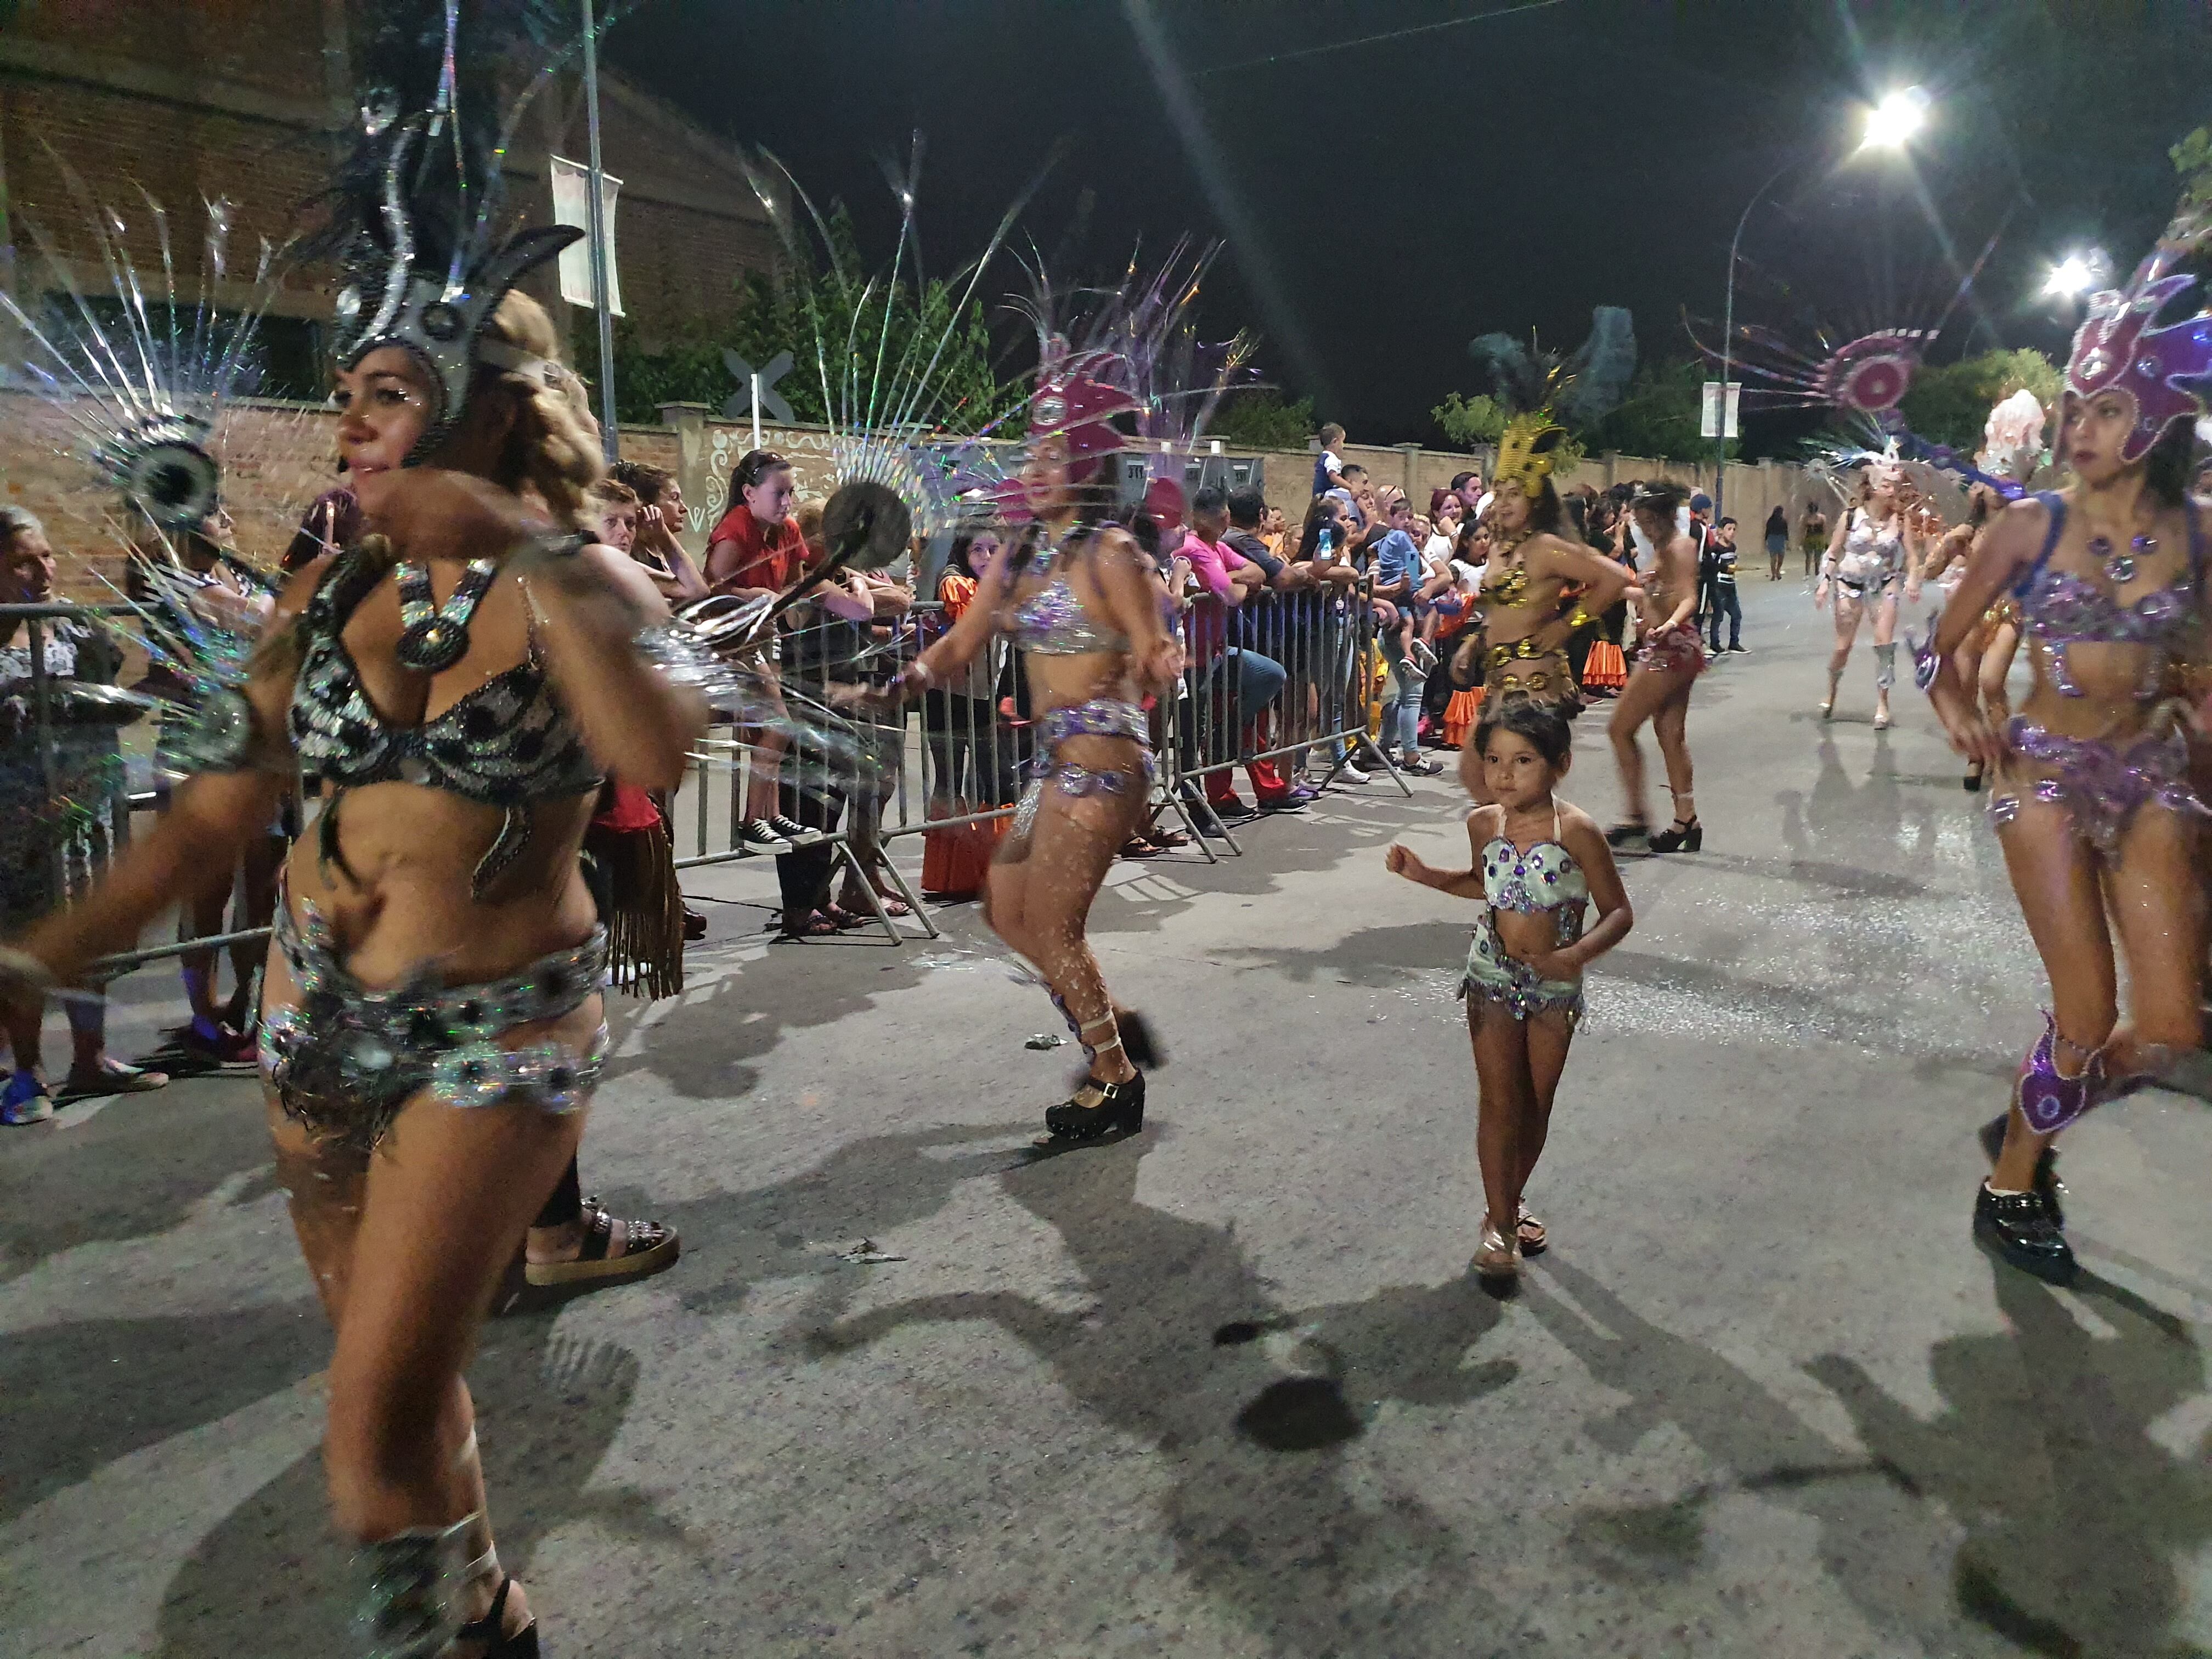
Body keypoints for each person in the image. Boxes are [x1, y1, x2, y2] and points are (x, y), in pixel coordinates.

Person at [1, 87, 715, 1654]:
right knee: (400, 1387)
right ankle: (485, 1611)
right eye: (346, 391)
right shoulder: (317, 591)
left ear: (474, 409)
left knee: (366, 1445)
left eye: (388, 392)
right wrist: (42, 954)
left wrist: (517, 542)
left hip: (494, 1033)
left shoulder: (575, 576)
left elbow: (661, 753)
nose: (349, 421)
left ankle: (442, 1620)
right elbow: (203, 816)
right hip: (309, 1018)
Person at [1921, 208, 2210, 1281]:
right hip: (2041, 777)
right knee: (2087, 1014)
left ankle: (2035, 1110)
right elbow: (1937, 656)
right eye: (2075, 407)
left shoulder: (2200, 536)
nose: (2079, 427)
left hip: (2153, 782)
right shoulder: (2026, 527)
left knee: (2173, 1027)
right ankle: (2013, 1182)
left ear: (2154, 423)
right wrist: (1961, 716)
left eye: (2106, 409)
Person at [850, 335, 1181, 1144]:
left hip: (1104, 763)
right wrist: (902, 680)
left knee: (1055, 925)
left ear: (1089, 468)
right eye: (1031, 453)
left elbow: (1154, 642)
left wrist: (1160, 654)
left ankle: (1114, 1078)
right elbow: (961, 643)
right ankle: (1112, 1022)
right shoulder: (1022, 553)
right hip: (1049, 768)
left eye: (1055, 455)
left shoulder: (1112, 552)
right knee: (1005, 912)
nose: (1035, 468)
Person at [1384, 698, 1632, 1279]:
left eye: (1523, 761)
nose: (1504, 774)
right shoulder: (1482, 824)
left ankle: (1510, 1198)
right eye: (1493, 759)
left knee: (1534, 1103)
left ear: (1559, 765)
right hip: (1491, 977)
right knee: (1498, 1102)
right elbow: (1483, 884)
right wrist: (1424, 875)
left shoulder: (1577, 832)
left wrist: (1573, 956)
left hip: (1554, 989)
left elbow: (1618, 912)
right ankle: (1498, 1227)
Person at [1, 507, 171, 1121]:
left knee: (87, 934)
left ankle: (91, 1058)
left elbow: (111, 685)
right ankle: (27, 1075)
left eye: (45, 556)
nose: (42, 570)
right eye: (24, 559)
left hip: (81, 809)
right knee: (24, 942)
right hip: (14, 819)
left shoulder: (68, 624)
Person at [1448, 413, 1634, 753]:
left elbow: (1615, 578)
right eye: (1498, 494)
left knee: (1514, 788)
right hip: (1498, 680)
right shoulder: (1501, 547)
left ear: (1534, 498)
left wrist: (1565, 626)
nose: (1502, 504)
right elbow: (1498, 607)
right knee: (1479, 778)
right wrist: (1473, 642)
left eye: (1513, 494)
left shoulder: (1546, 547)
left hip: (1533, 682)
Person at [705, 449, 818, 853]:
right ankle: (756, 819)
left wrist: (787, 602)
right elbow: (710, 589)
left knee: (772, 729)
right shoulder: (736, 528)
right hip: (727, 647)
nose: (787, 503)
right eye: (779, 493)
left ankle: (768, 816)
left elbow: (796, 586)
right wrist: (748, 596)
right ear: (750, 493)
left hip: (760, 641)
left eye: (791, 493)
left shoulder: (788, 530)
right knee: (776, 726)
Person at [1608, 481, 1705, 851]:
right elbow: (1651, 594)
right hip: (1674, 648)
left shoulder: (1680, 547)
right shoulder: (1664, 549)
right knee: (1669, 734)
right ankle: (1686, 819)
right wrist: (1614, 588)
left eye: (1649, 520)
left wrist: (1669, 623)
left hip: (1669, 650)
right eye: (1640, 522)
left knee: (1620, 728)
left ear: (1666, 516)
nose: (1644, 528)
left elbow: (1689, 596)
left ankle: (1636, 817)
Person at [1815, 459, 1923, 729]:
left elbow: (1912, 557)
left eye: (1894, 486)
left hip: (1884, 585)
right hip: (1848, 584)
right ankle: (1831, 691)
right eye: (1886, 485)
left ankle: (1883, 704)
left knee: (1884, 646)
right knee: (1843, 646)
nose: (1892, 491)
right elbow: (1832, 552)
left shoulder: (1900, 519)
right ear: (1873, 488)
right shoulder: (1851, 516)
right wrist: (1824, 582)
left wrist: (1912, 578)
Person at [608, 459, 709, 605]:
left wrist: (664, 537)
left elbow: (701, 590)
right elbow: (697, 591)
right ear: (646, 508)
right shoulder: (626, 561)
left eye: (629, 523)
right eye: (674, 498)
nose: (684, 508)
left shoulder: (662, 553)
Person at [1704, 516, 1746, 654]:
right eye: (1729, 529)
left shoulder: (1732, 547)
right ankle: (1715, 644)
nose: (1732, 532)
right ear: (1721, 531)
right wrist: (1723, 568)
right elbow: (1712, 565)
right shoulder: (1715, 548)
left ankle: (1734, 642)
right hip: (1719, 586)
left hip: (1730, 585)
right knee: (1719, 615)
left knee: (1737, 615)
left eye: (1734, 529)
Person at [1313, 422, 1347, 496]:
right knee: (1350, 495)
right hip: (1326, 495)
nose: (1343, 445)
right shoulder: (1331, 457)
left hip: (1319, 495)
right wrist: (1351, 488)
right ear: (1335, 441)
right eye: (1342, 441)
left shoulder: (1323, 456)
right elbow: (1333, 476)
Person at [1799, 500, 1828, 579]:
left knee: (1812, 557)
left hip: (1813, 538)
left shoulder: (1806, 518)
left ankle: (1811, 572)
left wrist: (1801, 540)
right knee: (1814, 556)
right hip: (1816, 538)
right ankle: (1814, 572)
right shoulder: (1821, 518)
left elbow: (1802, 530)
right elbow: (1825, 530)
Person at [1764, 504, 1789, 580]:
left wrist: (1787, 540)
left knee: (1778, 557)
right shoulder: (1772, 521)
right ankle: (1774, 574)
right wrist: (1766, 540)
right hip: (1774, 539)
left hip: (1778, 539)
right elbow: (1767, 531)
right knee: (1775, 558)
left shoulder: (1782, 521)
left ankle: (1777, 571)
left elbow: (1786, 531)